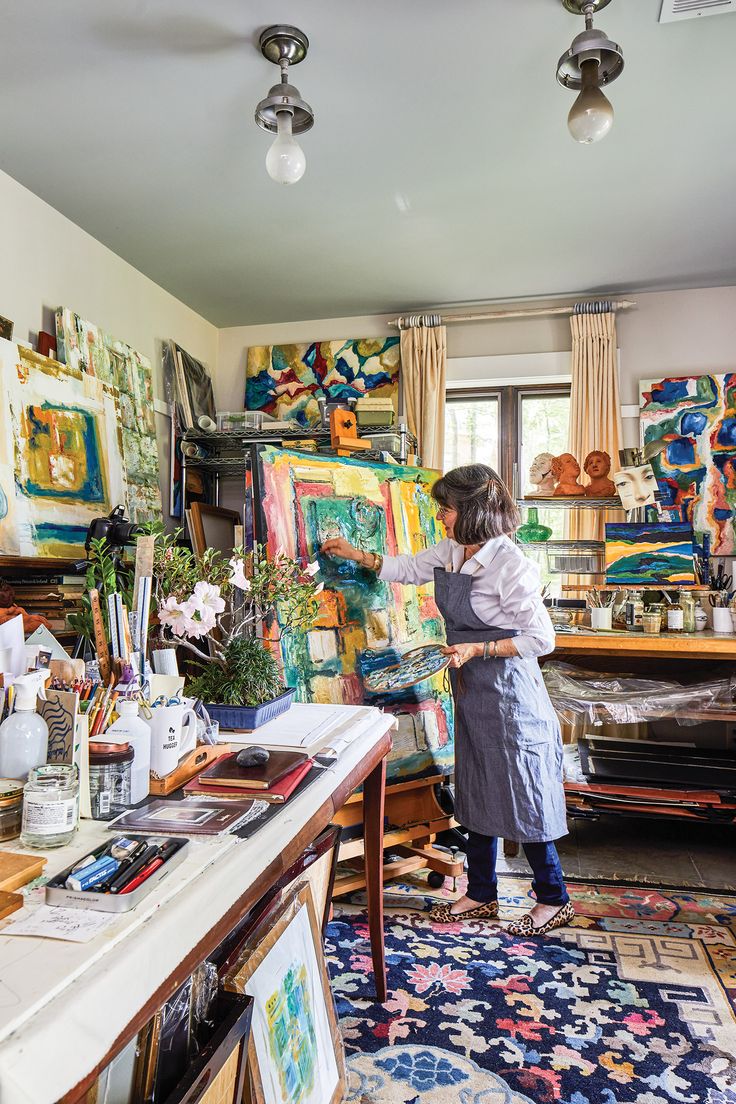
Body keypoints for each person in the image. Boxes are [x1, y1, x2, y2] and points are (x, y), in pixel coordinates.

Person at [321, 464, 573, 936]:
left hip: (511, 692)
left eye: (448, 508)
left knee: (522, 790)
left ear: (473, 511)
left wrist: (479, 648)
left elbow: (543, 639)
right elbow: (408, 569)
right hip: (473, 688)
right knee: (476, 788)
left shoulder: (509, 564)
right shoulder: (454, 550)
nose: (441, 515)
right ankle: (481, 893)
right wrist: (357, 554)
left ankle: (554, 897)